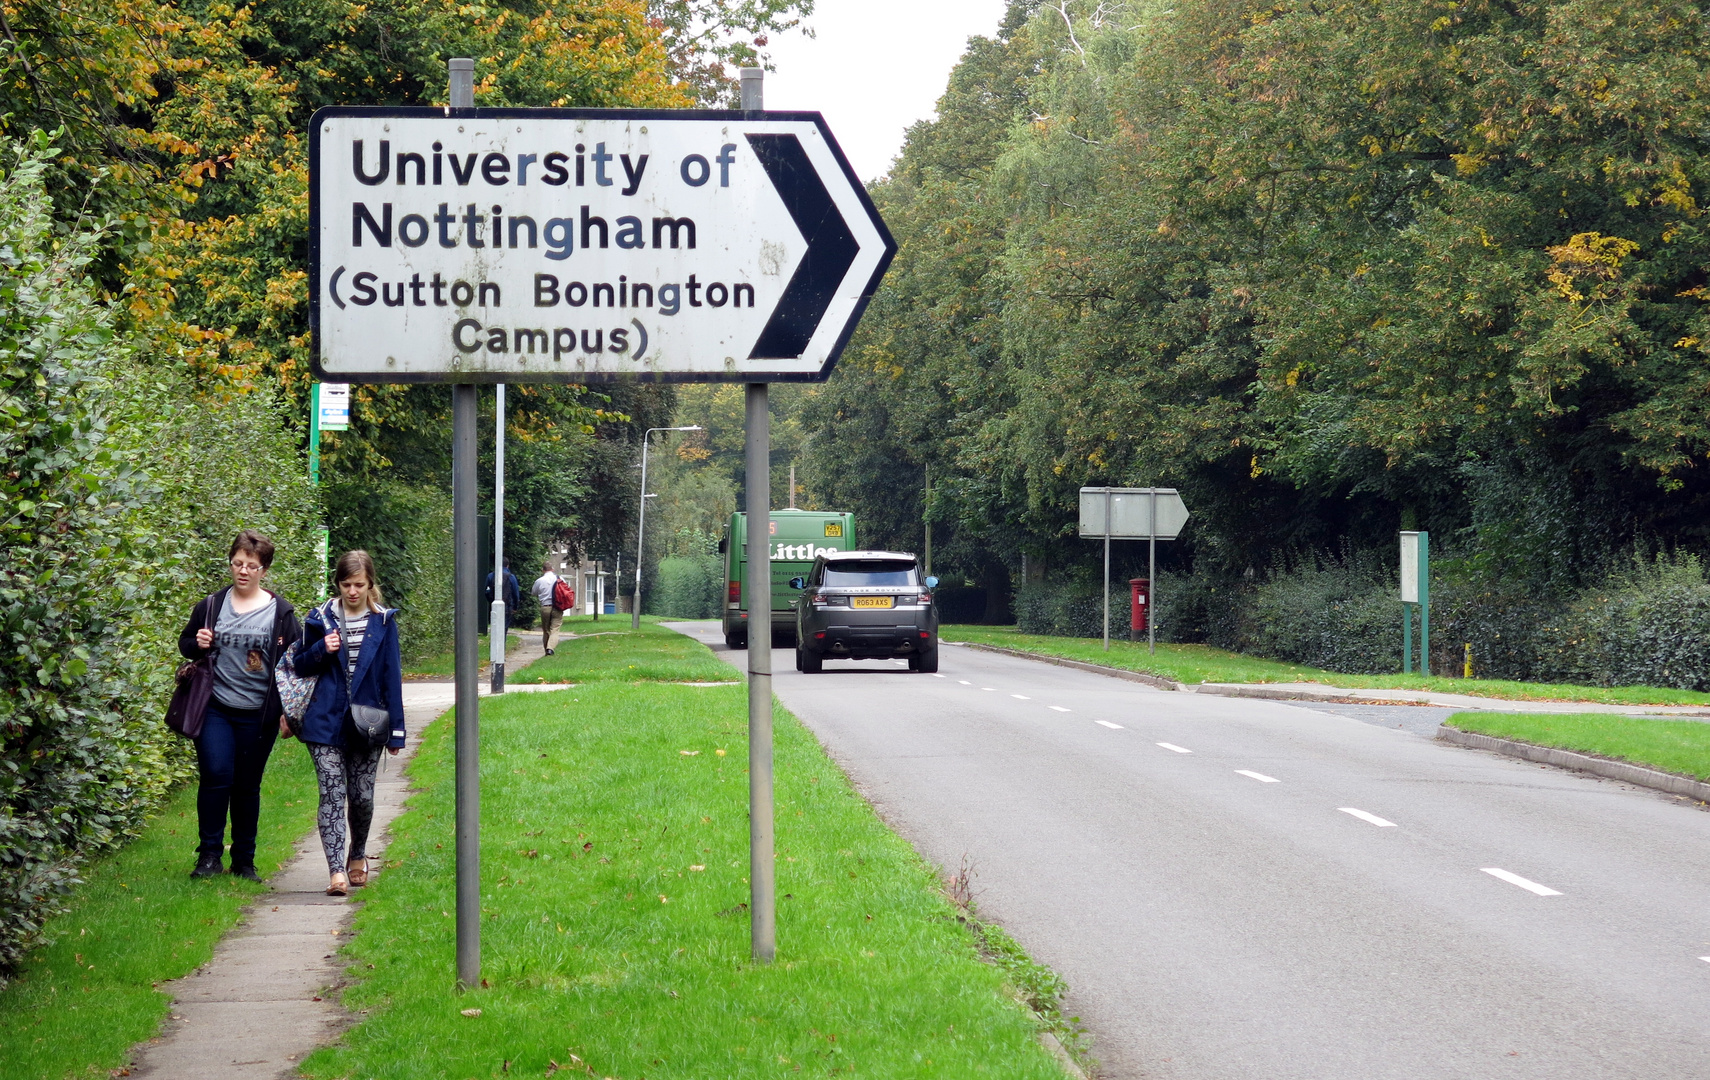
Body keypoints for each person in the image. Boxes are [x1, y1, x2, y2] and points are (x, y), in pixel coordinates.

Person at [177, 529, 301, 881]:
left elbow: (294, 663)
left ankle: (244, 861)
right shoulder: (212, 605)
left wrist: (288, 713)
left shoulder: (281, 613)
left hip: (259, 713)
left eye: (251, 565)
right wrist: (197, 642)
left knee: (247, 786)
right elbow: (186, 643)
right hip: (214, 706)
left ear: (264, 569)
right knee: (216, 776)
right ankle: (209, 857)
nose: (243, 571)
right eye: (237, 563)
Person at [293, 550, 406, 896]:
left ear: (370, 584)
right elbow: (299, 666)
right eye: (346, 584)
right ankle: (336, 872)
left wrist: (397, 731)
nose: (352, 591)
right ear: (337, 583)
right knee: (331, 792)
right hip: (324, 721)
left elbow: (392, 677)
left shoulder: (384, 622)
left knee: (362, 797)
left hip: (368, 723)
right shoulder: (319, 618)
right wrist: (320, 650)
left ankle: (357, 854)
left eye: (359, 584)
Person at [533, 560, 564, 654]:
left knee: (546, 630)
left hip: (545, 607)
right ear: (553, 569)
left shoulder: (539, 581)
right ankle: (550, 648)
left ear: (543, 570)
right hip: (558, 606)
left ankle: (547, 649)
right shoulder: (560, 579)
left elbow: (533, 593)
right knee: (555, 629)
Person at [484, 557, 522, 631]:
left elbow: (486, 591)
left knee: (495, 627)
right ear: (507, 565)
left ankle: (494, 642)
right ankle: (502, 642)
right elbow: (515, 594)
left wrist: (491, 601)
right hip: (507, 605)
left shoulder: (491, 576)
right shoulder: (511, 577)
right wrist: (515, 607)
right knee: (504, 628)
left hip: (494, 605)